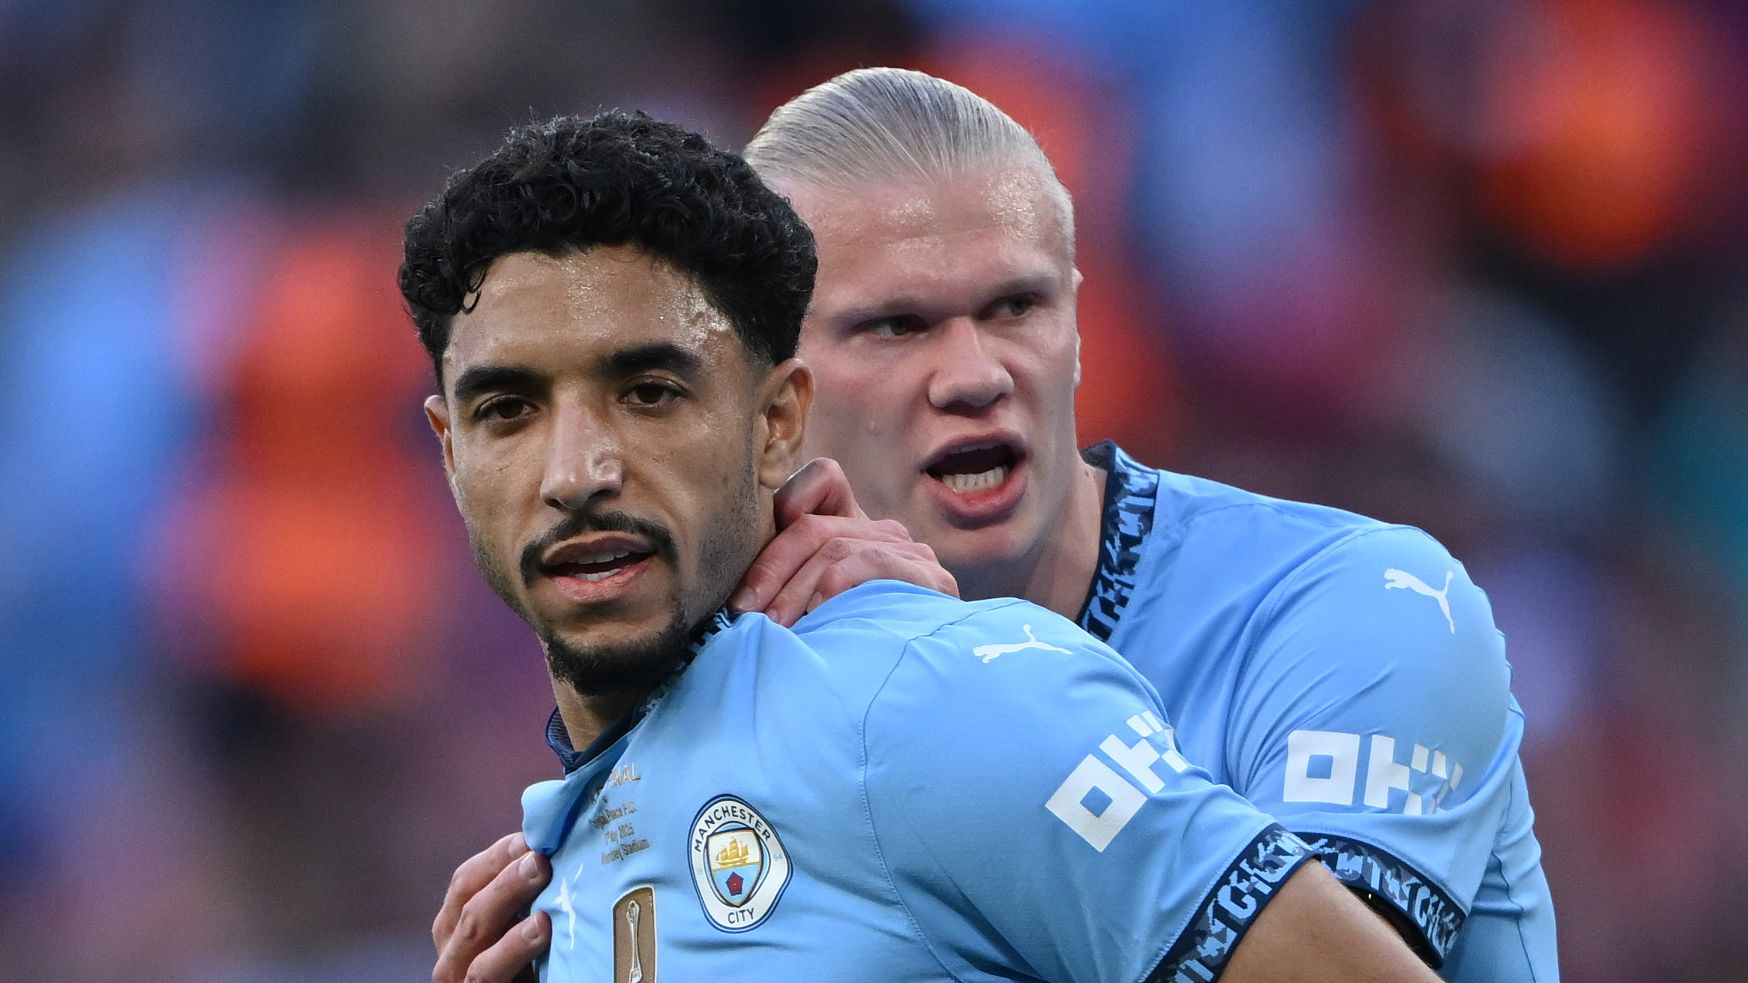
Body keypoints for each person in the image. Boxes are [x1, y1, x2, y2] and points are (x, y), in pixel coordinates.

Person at [431, 71, 1558, 981]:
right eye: (894, 325)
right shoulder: (739, 700)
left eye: (1016, 306)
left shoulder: (1357, 612)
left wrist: (961, 697)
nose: (973, 373)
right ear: (772, 402)